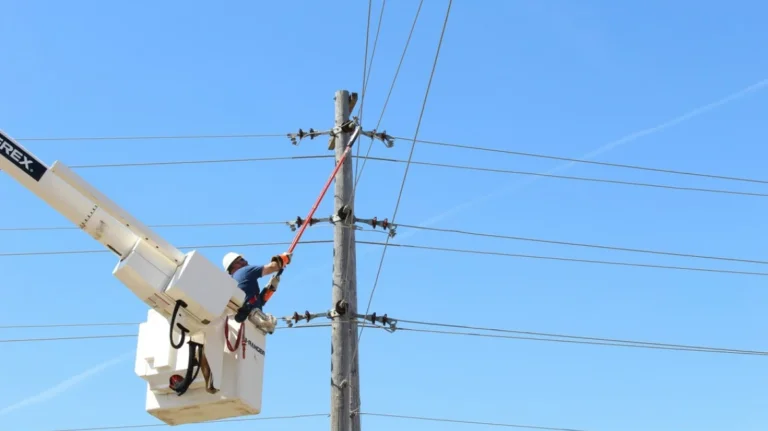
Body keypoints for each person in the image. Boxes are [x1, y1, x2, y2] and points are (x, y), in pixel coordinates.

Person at [222, 251, 291, 320]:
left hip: (248, 316)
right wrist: (285, 257)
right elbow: (273, 267)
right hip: (252, 317)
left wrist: (270, 287)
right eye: (242, 260)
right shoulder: (244, 271)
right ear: (234, 264)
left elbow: (258, 300)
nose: (246, 261)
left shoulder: (233, 282)